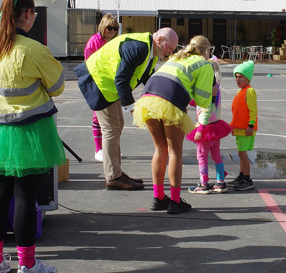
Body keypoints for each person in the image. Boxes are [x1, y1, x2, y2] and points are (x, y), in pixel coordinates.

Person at [0, 0, 65, 273]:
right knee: (26, 196)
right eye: (33, 12)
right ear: (27, 14)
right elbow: (58, 85)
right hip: (28, 132)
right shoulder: (32, 49)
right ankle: (27, 266)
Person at [75, 28, 179, 190]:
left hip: (109, 85)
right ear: (159, 40)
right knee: (111, 128)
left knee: (117, 127)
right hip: (98, 82)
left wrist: (161, 97)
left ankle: (116, 172)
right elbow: (122, 79)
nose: (170, 52)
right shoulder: (139, 48)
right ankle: (113, 177)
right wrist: (134, 111)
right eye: (170, 48)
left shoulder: (151, 52)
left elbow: (147, 78)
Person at [132, 35, 215, 214]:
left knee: (160, 149)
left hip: (148, 98)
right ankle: (175, 201)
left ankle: (159, 197)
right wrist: (211, 92)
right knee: (174, 151)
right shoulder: (204, 64)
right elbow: (202, 99)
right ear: (206, 50)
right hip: (170, 100)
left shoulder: (177, 57)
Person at [186, 57, 232, 194]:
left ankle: (203, 183)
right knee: (216, 154)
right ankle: (220, 182)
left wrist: (200, 128)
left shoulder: (207, 88)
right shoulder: (216, 86)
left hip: (205, 127)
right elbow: (199, 102)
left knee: (201, 155)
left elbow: (204, 108)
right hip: (216, 127)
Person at [84, 14, 120, 162]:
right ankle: (98, 149)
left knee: (111, 120)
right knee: (98, 117)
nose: (112, 31)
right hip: (97, 82)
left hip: (109, 83)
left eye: (115, 28)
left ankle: (110, 149)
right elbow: (89, 62)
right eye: (109, 28)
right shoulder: (95, 41)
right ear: (103, 27)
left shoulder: (109, 41)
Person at [227, 60, 259, 191]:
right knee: (241, 154)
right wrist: (233, 127)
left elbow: (253, 110)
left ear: (248, 78)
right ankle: (241, 176)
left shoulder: (249, 91)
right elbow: (237, 111)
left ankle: (247, 179)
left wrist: (251, 125)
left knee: (242, 154)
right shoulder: (240, 91)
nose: (238, 79)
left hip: (246, 129)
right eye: (236, 76)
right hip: (239, 128)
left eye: (241, 77)